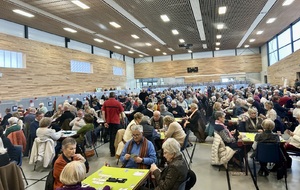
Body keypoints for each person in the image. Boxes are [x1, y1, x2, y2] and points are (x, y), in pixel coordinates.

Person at [102, 92, 124, 157]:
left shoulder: (105, 103)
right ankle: (117, 150)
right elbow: (122, 113)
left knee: (111, 137)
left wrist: (105, 122)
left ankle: (112, 152)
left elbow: (103, 113)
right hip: (116, 122)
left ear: (109, 96)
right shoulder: (117, 103)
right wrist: (123, 120)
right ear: (115, 96)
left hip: (108, 122)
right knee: (117, 137)